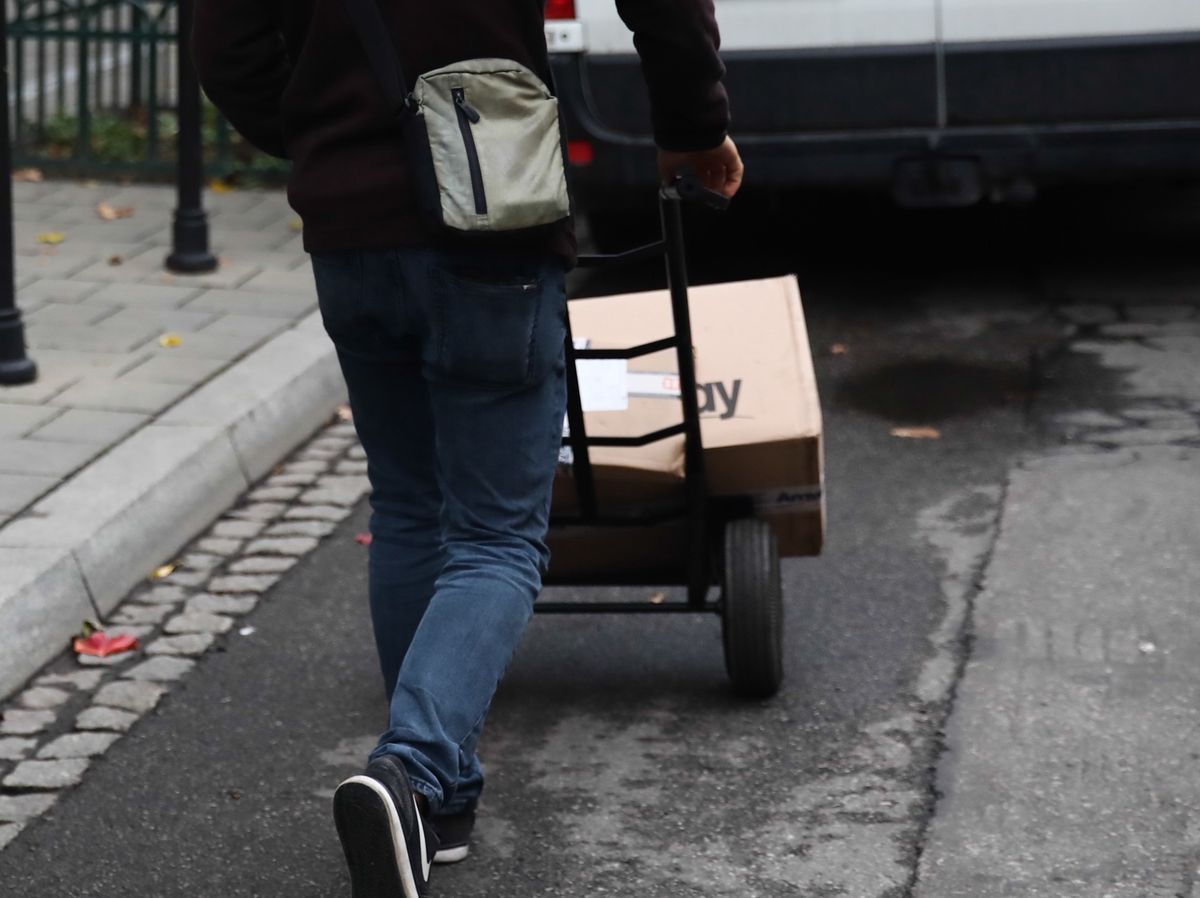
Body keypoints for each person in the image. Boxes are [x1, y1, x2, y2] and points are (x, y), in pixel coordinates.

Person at [194, 1, 742, 895]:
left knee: (409, 504)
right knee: (495, 535)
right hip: (494, 209)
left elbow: (225, 46)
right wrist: (692, 129)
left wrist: (329, 138)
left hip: (350, 227)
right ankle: (412, 767)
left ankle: (439, 804)